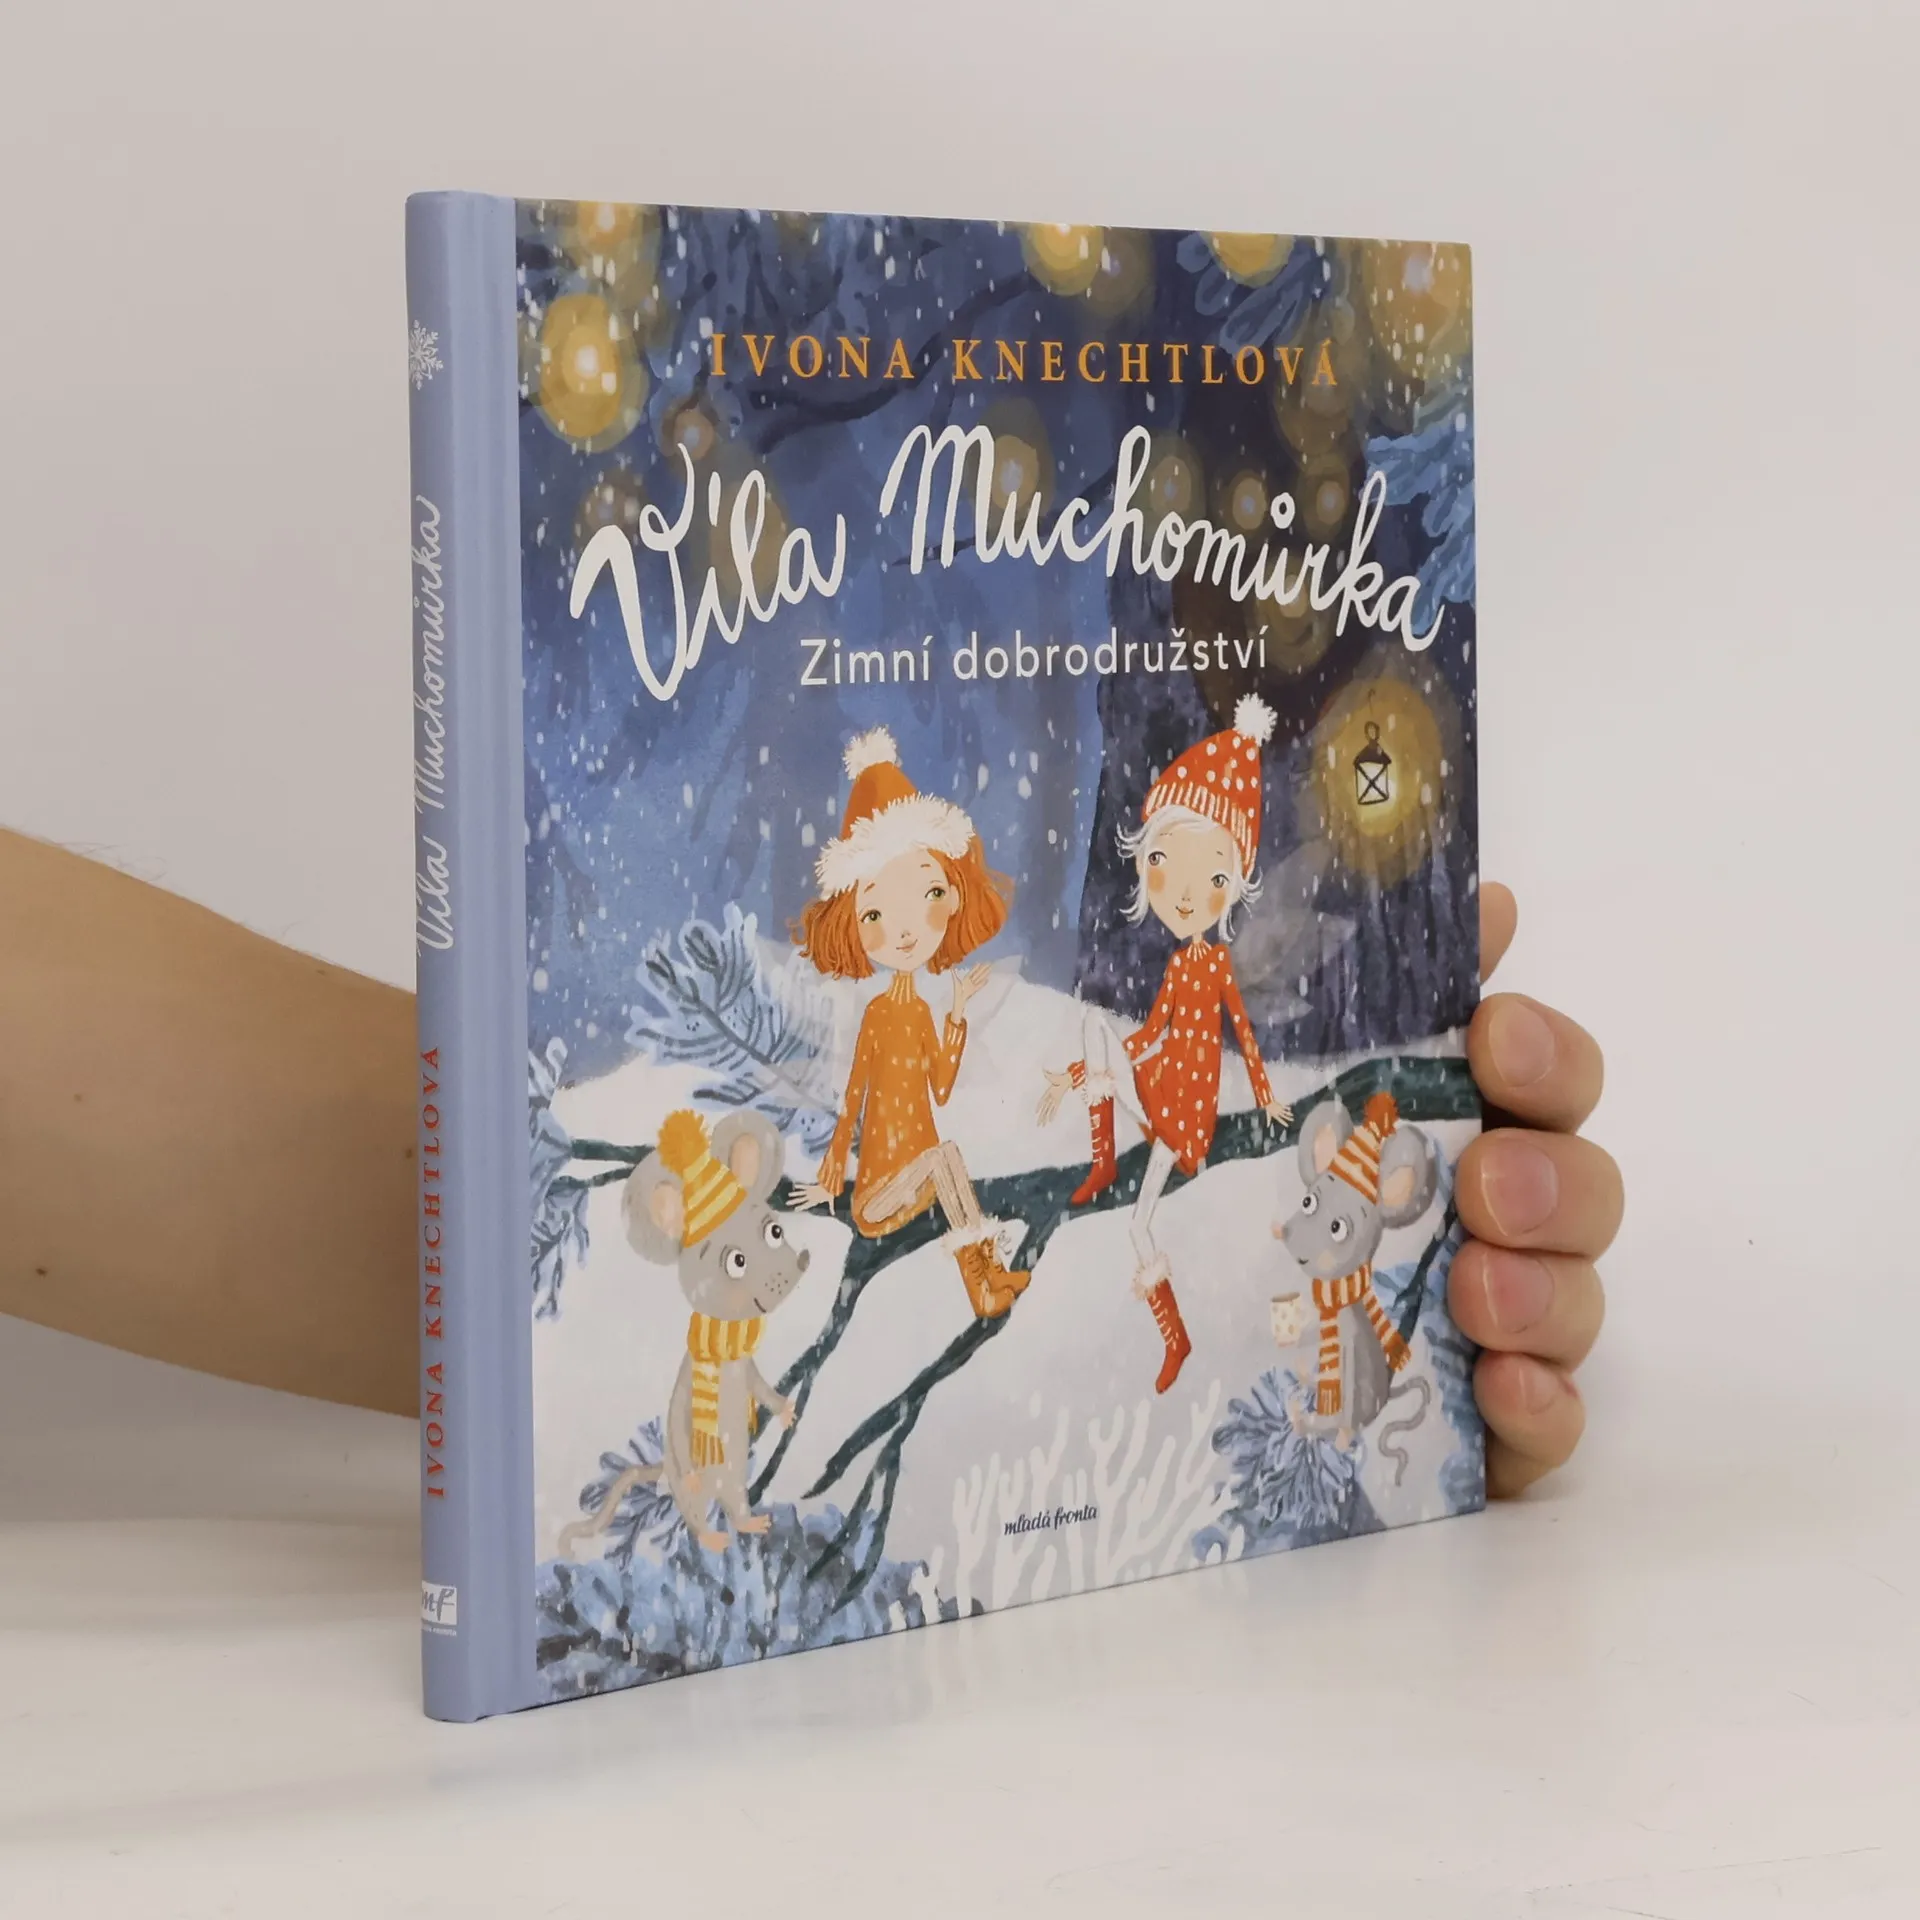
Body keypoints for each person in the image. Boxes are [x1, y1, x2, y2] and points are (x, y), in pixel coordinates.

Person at [0, 824, 1617, 1497]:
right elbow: (875, 1119)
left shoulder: (976, 1011)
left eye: (932, 901)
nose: (916, 923)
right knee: (959, 1208)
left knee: (992, 1209)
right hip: (882, 1180)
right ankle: (991, 1273)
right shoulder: (894, 1021)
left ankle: (1014, 1279)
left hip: (996, 1176)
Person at [1037, 693, 1292, 1395]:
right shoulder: (1181, 965)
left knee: (1139, 1224)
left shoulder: (1214, 964)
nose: (1182, 893)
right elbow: (1150, 1035)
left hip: (1185, 1112)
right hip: (1162, 1092)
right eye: (1165, 864)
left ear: (1231, 886)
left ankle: (1172, 1329)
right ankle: (1106, 1168)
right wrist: (1083, 1074)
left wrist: (1265, 1097)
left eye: (1210, 878)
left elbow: (1240, 1030)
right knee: (1096, 1029)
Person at [788, 728, 1027, 1319]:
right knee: (945, 1156)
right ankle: (981, 1285)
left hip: (922, 1184)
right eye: (876, 911)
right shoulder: (876, 1014)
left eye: (925, 894)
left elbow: (940, 1088)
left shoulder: (921, 1011)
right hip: (879, 1196)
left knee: (946, 1156)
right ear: (855, 923)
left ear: (950, 897)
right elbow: (854, 1096)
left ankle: (988, 1276)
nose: (902, 930)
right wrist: (831, 1175)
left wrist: (958, 1013)